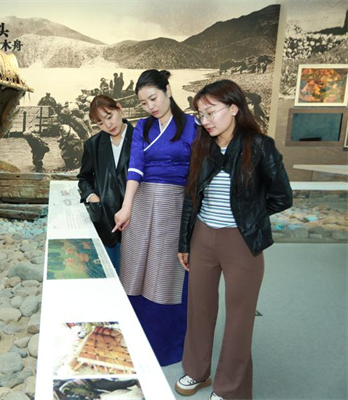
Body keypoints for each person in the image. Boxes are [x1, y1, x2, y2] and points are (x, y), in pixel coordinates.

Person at [174, 80, 292, 400]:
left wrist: (249, 216)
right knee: (199, 309)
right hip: (202, 237)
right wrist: (184, 243)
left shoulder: (259, 146)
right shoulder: (203, 146)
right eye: (200, 115)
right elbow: (191, 198)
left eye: (211, 112)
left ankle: (229, 388)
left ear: (234, 108)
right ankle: (197, 371)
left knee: (239, 317)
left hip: (241, 241)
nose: (205, 121)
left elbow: (282, 196)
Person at [112, 69, 197, 366]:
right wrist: (126, 206)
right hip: (142, 201)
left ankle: (164, 346)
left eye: (154, 98)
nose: (150, 106)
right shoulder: (143, 127)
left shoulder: (193, 126)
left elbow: (197, 173)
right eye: (144, 103)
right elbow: (135, 167)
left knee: (165, 273)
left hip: (174, 204)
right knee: (134, 268)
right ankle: (133, 341)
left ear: (167, 90)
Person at [78, 95, 133, 272]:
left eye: (109, 116)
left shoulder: (141, 139)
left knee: (133, 273)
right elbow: (84, 178)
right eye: (100, 123)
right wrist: (92, 197)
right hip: (105, 218)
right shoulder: (93, 144)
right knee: (108, 271)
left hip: (135, 217)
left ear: (119, 108)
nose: (108, 125)